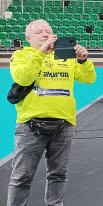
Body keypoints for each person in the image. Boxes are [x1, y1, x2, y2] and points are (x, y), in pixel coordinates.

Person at [7, 19, 96, 205]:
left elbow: (89, 78)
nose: (46, 34)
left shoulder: (66, 57)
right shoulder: (21, 56)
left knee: (58, 175)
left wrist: (83, 60)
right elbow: (23, 78)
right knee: (21, 177)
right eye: (40, 32)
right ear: (28, 37)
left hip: (64, 125)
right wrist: (41, 53)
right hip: (30, 126)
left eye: (48, 31)